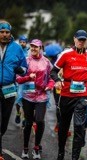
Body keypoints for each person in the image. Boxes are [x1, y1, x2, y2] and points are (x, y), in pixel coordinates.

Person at [50, 30, 87, 160]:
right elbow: (53, 71)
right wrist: (57, 81)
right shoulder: (66, 54)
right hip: (67, 94)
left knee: (79, 126)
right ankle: (61, 153)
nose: (81, 42)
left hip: (82, 95)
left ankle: (75, 157)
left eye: (83, 40)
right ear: (74, 39)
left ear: (86, 41)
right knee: (64, 126)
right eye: (79, 39)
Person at [16, 39, 54, 159]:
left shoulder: (46, 62)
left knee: (40, 121)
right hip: (28, 95)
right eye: (32, 46)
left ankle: (36, 147)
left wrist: (50, 86)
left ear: (40, 48)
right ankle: (25, 148)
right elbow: (18, 78)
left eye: (36, 47)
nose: (33, 49)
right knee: (28, 123)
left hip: (41, 96)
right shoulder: (25, 61)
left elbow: (51, 79)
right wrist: (28, 77)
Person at [0, 20, 28, 160]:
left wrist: (20, 70)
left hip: (9, 89)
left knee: (4, 123)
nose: (4, 35)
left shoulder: (17, 48)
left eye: (7, 32)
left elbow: (25, 68)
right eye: (2, 32)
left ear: (10, 33)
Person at [15, 35, 29, 126]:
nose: (22, 43)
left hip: (27, 78)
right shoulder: (16, 51)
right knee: (18, 97)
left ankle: (24, 117)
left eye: (24, 42)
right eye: (21, 42)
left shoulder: (29, 52)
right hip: (17, 78)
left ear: (26, 43)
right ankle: (18, 113)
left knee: (25, 98)